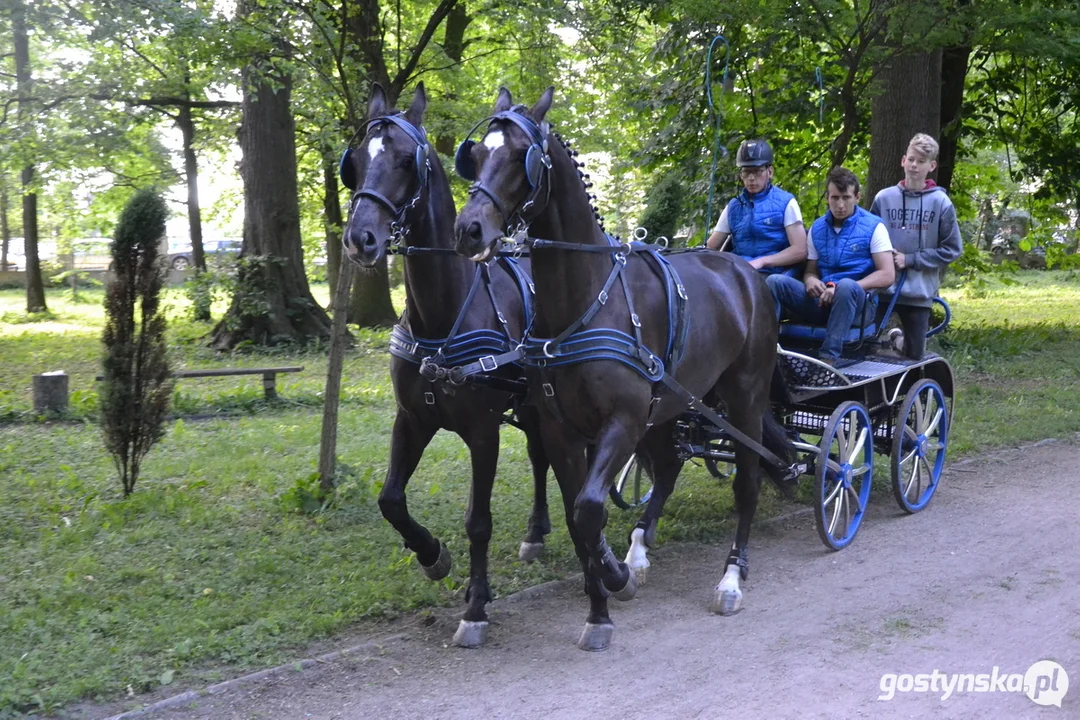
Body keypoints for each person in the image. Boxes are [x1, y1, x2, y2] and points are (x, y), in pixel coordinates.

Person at [767, 167, 895, 365]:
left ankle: (828, 359)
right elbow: (810, 270)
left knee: (846, 285)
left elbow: (887, 275)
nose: (840, 205)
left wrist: (844, 287)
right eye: (835, 198)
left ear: (857, 197)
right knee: (774, 282)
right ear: (827, 197)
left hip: (858, 307)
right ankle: (767, 351)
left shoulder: (874, 226)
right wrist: (810, 280)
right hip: (821, 301)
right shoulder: (817, 227)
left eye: (846, 197)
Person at [870, 133, 963, 359]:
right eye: (911, 159)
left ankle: (898, 341)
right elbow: (867, 237)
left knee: (914, 355)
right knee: (864, 347)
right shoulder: (883, 198)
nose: (914, 166)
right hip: (883, 288)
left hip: (919, 292)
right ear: (903, 160)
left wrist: (910, 259)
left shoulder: (940, 203)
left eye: (921, 162)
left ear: (931, 166)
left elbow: (952, 249)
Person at [706, 139, 808, 275]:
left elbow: (800, 250)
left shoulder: (787, 202)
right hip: (740, 273)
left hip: (775, 274)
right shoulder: (733, 207)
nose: (751, 178)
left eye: (757, 171)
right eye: (746, 172)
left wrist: (762, 262)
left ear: (770, 172)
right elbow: (711, 247)